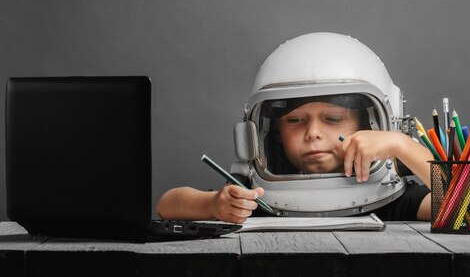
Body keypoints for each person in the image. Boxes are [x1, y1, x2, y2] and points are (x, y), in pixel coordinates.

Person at [157, 32, 433, 224]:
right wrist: (214, 205)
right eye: (295, 120)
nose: (313, 132)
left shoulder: (389, 199)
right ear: (272, 132)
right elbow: (167, 205)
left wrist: (402, 145)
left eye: (333, 119)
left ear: (370, 127)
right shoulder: (257, 199)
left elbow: (468, 204)